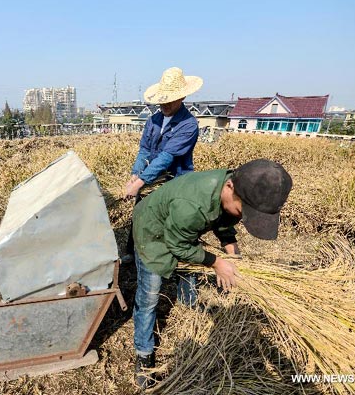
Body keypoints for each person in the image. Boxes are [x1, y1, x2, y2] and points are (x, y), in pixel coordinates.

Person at [132, 159, 293, 389]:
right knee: (149, 297)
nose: (242, 216)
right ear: (229, 187)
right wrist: (216, 262)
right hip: (152, 232)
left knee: (190, 267)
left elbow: (224, 218)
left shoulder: (232, 185)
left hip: (179, 227)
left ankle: (189, 306)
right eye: (243, 211)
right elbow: (177, 245)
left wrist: (230, 248)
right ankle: (144, 354)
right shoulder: (192, 206)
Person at [124, 66, 203, 264]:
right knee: (140, 214)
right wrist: (136, 173)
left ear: (182, 97)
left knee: (166, 221)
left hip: (173, 181)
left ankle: (165, 259)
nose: (165, 104)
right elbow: (144, 149)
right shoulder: (154, 120)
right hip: (150, 177)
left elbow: (167, 157)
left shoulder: (188, 125)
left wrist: (141, 182)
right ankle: (132, 253)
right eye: (162, 100)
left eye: (170, 99)